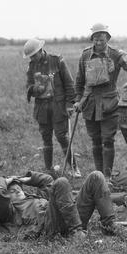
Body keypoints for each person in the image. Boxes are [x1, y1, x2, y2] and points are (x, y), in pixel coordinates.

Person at [0, 171, 127, 239]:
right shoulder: (7, 211)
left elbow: (48, 181)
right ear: (8, 198)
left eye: (18, 187)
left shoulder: (30, 197)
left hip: (68, 214)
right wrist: (5, 179)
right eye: (12, 190)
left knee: (96, 177)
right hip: (51, 225)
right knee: (62, 183)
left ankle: (109, 223)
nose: (17, 190)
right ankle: (76, 232)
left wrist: (27, 178)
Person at [73, 24, 127, 178]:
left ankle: (106, 177)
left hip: (109, 104)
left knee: (107, 140)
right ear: (92, 39)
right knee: (95, 140)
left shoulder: (116, 54)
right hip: (90, 105)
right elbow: (79, 80)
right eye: (95, 39)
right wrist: (77, 100)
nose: (98, 42)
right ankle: (98, 175)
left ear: (107, 38)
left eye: (101, 39)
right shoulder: (85, 55)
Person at [24, 38, 79, 177]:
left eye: (34, 55)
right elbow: (28, 86)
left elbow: (69, 83)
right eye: (30, 56)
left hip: (58, 106)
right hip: (42, 108)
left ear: (41, 51)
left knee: (62, 136)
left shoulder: (57, 60)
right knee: (46, 137)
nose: (33, 58)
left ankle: (73, 168)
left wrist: (70, 104)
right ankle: (48, 169)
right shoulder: (31, 66)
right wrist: (34, 89)